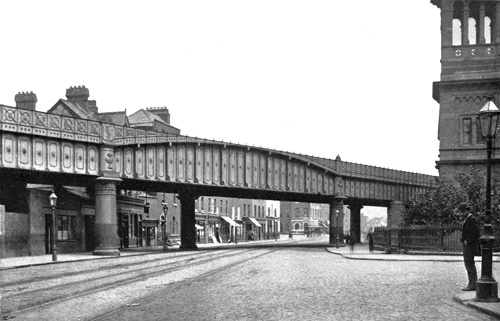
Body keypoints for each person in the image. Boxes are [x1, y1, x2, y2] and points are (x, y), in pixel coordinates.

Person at [459, 202, 481, 291]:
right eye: (461, 212)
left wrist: (467, 241)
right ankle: (472, 283)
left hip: (470, 246)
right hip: (467, 245)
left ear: (467, 211)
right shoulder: (468, 219)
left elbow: (476, 232)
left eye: (463, 211)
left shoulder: (471, 219)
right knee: (468, 264)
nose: (462, 213)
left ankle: (472, 284)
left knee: (469, 263)